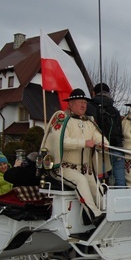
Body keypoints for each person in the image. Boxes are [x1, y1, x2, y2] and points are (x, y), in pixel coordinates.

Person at [41, 88, 110, 223]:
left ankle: (107, 213)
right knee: (81, 181)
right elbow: (60, 142)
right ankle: (94, 215)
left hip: (86, 169)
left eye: (85, 102)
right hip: (64, 168)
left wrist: (104, 144)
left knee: (97, 189)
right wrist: (84, 143)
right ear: (70, 104)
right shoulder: (62, 120)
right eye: (80, 102)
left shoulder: (89, 122)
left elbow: (98, 137)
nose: (83, 105)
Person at [86, 83, 126, 187]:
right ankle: (119, 201)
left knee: (99, 182)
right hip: (117, 149)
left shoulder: (89, 107)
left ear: (93, 93)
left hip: (100, 149)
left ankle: (101, 202)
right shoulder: (115, 110)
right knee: (120, 181)